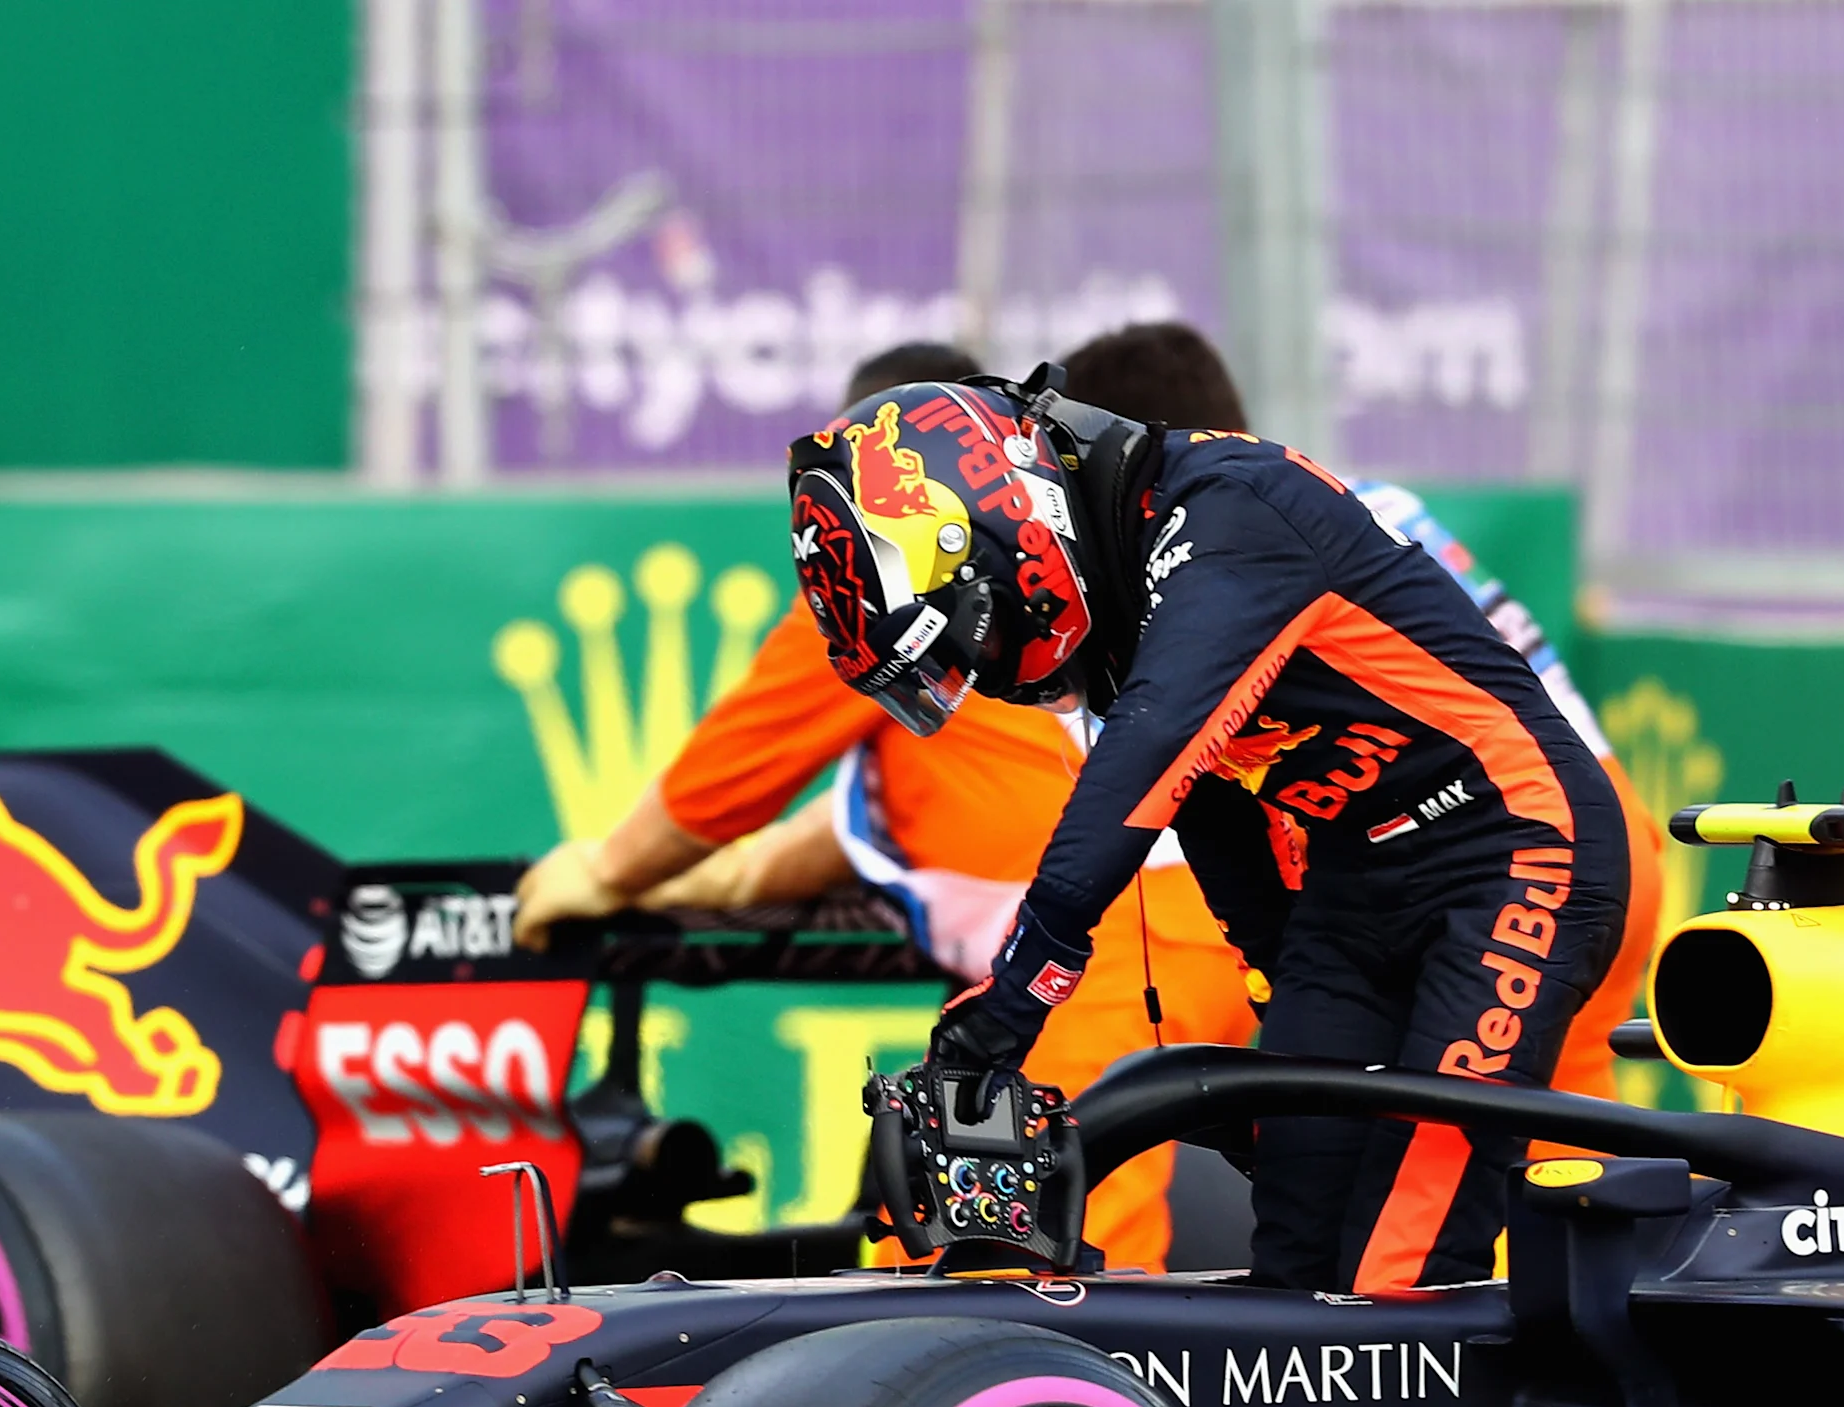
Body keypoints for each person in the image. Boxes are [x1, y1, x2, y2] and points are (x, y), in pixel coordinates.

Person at [789, 368, 1630, 1294]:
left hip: (1518, 847)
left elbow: (1155, 749)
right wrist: (1278, 990)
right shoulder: (1123, 602)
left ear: (1006, 525)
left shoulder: (1231, 512)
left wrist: (1020, 992)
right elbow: (1219, 810)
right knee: (1297, 1244)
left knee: (1405, 1251)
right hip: (1355, 890)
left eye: (976, 640)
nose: (988, 672)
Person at [513, 342, 1257, 1272]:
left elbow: (729, 778)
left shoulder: (881, 570)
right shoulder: (1005, 563)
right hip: (1187, 925)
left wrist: (606, 871)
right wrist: (733, 874)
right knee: (1001, 1241)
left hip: (1105, 945)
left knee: (1018, 1276)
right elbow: (883, 817)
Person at [1057, 320, 1666, 1107]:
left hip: (1477, 851)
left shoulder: (1200, 574)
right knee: (1559, 1165)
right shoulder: (1364, 504)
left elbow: (1164, 779)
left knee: (1428, 1153)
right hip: (1605, 827)